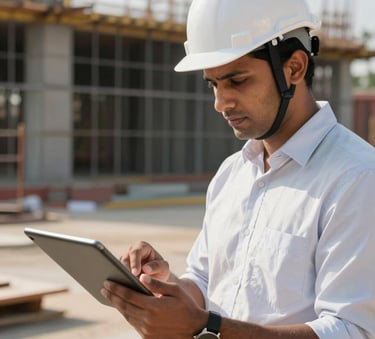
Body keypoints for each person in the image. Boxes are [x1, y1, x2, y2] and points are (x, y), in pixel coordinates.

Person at [101, 0, 375, 338]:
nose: (221, 103)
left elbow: (352, 330)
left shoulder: (358, 178)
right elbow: (204, 283)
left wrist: (209, 327)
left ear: (294, 68)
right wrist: (166, 287)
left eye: (237, 80)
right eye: (213, 84)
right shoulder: (232, 174)